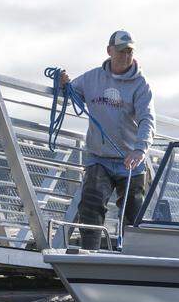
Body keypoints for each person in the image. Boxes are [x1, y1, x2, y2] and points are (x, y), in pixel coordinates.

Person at [58, 30, 156, 249]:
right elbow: (71, 91)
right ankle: (89, 255)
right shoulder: (92, 78)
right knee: (91, 206)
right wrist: (63, 84)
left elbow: (147, 119)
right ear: (109, 51)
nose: (125, 56)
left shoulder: (141, 84)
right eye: (121, 51)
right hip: (99, 157)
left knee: (132, 214)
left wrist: (140, 149)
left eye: (129, 51)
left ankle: (133, 258)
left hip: (130, 160)